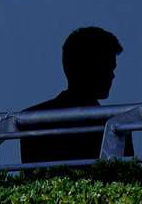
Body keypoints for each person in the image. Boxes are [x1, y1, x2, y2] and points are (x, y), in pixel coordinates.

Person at [19, 27, 124, 166]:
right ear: (91, 67)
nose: (112, 75)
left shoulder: (31, 118)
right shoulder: (114, 124)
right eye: (108, 67)